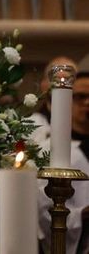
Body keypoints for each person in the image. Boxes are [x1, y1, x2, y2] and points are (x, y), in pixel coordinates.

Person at [38, 54, 89, 254]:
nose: (87, 103)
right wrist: (80, 216)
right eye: (79, 97)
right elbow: (42, 208)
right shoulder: (47, 146)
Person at [27, 56, 77, 147]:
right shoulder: (31, 123)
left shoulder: (83, 126)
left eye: (68, 80)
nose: (62, 85)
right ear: (43, 85)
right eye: (56, 80)